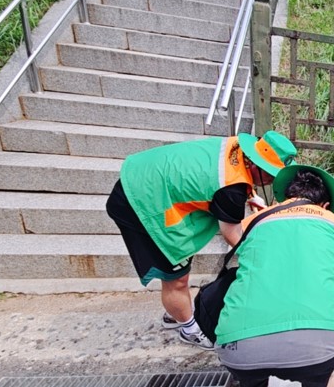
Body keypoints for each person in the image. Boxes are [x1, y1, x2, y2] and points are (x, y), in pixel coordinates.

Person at [105, 131, 297, 349]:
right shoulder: (231, 190)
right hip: (141, 202)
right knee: (176, 277)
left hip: (146, 172)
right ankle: (188, 329)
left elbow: (228, 177)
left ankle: (177, 312)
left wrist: (250, 195)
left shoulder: (236, 147)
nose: (272, 180)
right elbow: (232, 234)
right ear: (254, 164)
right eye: (270, 173)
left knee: (177, 272)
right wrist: (262, 260)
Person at [214, 164, 334, 387]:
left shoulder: (255, 222)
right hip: (318, 349)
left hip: (239, 348)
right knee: (326, 375)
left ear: (285, 199)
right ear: (325, 206)